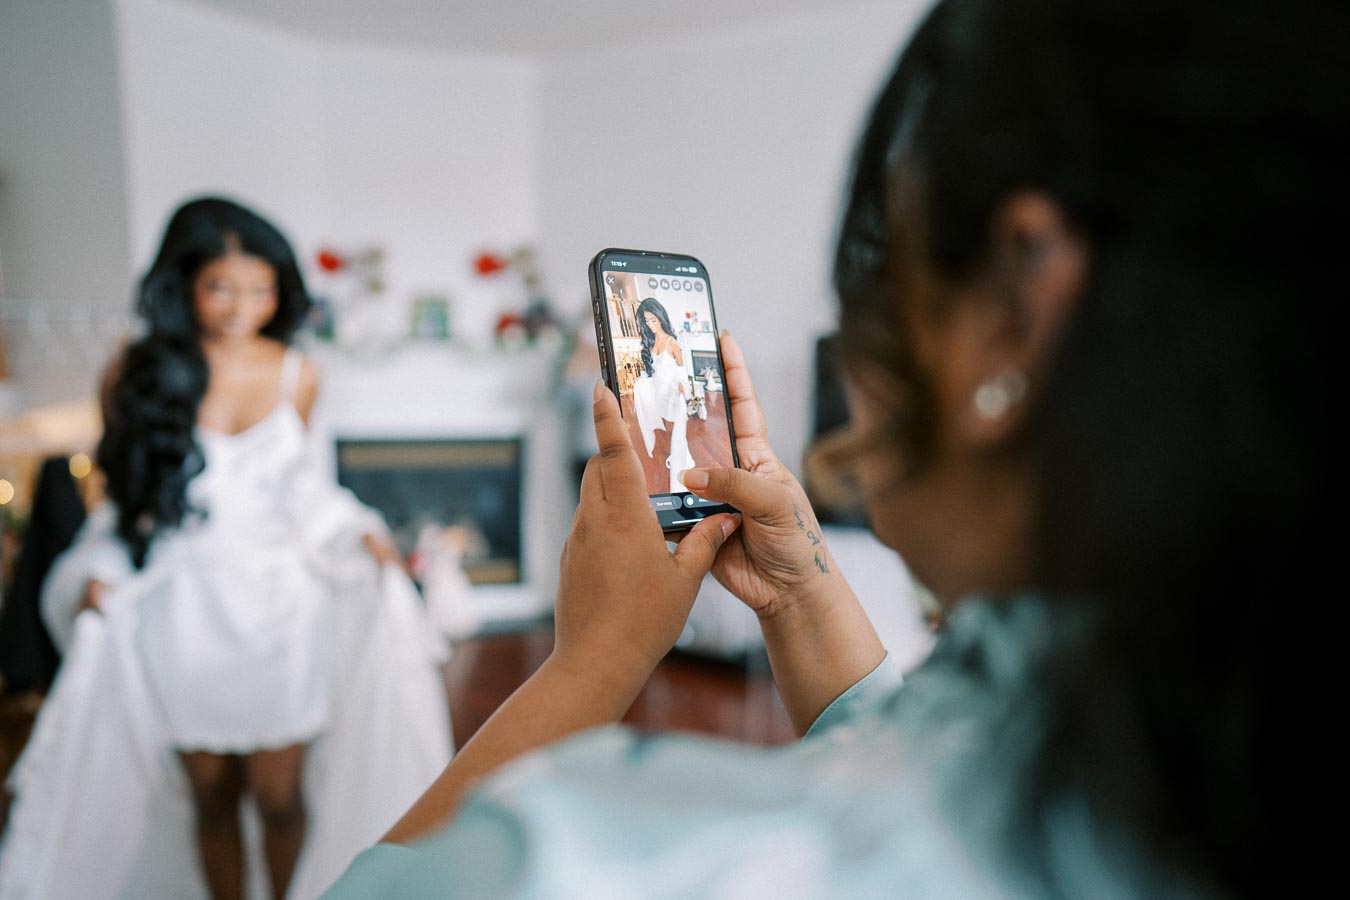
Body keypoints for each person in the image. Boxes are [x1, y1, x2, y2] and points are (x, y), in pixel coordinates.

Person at [324, 0, 1328, 892]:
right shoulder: (1195, 737)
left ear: (1016, 311)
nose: (858, 321)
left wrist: (596, 659)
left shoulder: (588, 862)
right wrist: (803, 587)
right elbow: (908, 749)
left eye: (883, 249)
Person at [0, 198, 453, 899]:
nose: (241, 307)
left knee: (279, 797)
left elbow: (306, 491)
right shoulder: (137, 373)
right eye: (220, 288)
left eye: (260, 289)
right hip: (185, 609)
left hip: (278, 607)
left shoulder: (297, 373)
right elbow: (126, 503)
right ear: (184, 285)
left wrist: (363, 534)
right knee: (210, 796)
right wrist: (100, 571)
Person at [630, 297, 697, 491]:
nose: (651, 325)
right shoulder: (650, 342)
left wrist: (683, 387)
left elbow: (681, 369)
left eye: (653, 319)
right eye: (647, 321)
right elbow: (654, 371)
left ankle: (680, 460)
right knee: (666, 427)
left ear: (660, 318)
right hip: (657, 389)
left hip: (671, 391)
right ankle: (675, 454)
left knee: (675, 428)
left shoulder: (671, 342)